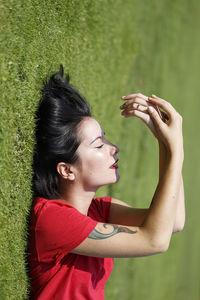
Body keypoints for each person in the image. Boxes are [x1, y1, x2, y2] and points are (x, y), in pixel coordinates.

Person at [28, 65, 185, 300]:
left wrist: (164, 143)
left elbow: (172, 221)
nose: (114, 148)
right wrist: (176, 151)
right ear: (66, 170)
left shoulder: (100, 211)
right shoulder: (52, 219)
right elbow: (155, 241)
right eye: (99, 144)